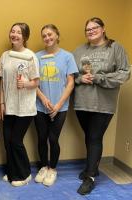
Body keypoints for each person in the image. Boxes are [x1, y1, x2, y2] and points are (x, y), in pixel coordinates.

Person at [73, 17, 130, 195]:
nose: (91, 31)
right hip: (82, 102)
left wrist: (100, 78)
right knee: (89, 136)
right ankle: (93, 167)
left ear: (103, 29)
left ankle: (90, 177)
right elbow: (70, 76)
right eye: (87, 29)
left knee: (95, 137)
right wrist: (79, 79)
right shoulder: (79, 50)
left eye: (94, 28)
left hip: (104, 104)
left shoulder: (115, 48)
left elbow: (124, 73)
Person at [34, 24, 78, 186]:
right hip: (40, 106)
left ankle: (52, 169)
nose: (47, 38)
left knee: (53, 139)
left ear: (57, 35)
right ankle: (44, 167)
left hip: (60, 107)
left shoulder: (68, 57)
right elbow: (34, 82)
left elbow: (70, 83)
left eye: (50, 34)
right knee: (41, 138)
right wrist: (43, 99)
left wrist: (58, 105)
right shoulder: (36, 56)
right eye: (44, 35)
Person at [0, 22, 39, 187]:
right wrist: (1, 102)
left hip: (25, 108)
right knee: (7, 141)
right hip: (9, 106)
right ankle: (12, 172)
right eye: (12, 31)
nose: (14, 34)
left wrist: (26, 84)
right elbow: (1, 81)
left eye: (18, 32)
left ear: (25, 37)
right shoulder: (5, 55)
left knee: (16, 141)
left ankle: (25, 174)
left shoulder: (30, 56)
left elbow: (36, 82)